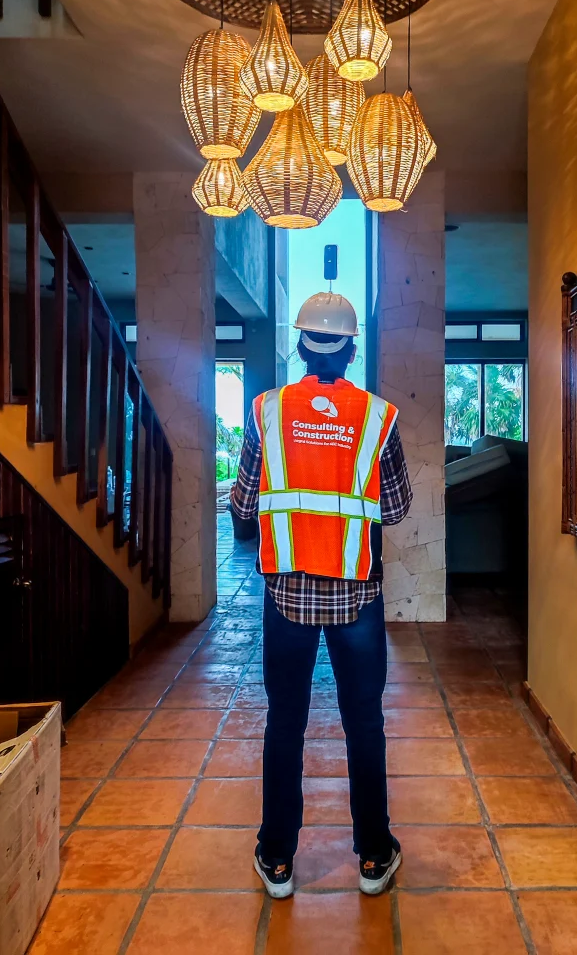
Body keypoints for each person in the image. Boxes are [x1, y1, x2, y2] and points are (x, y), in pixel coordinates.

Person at [230, 290, 412, 899]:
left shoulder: (266, 411)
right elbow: (396, 506)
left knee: (285, 721)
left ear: (302, 346)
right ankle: (374, 856)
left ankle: (277, 859)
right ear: (351, 350)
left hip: (286, 592)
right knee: (364, 722)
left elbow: (243, 502)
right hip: (356, 593)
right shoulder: (379, 417)